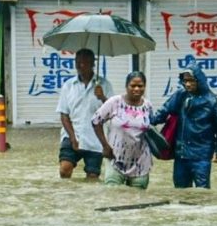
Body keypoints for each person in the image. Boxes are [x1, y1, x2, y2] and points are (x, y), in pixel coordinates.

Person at [150, 65, 217, 189]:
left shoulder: (211, 101)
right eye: (185, 81)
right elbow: (163, 112)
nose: (187, 84)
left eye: (191, 81)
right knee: (180, 189)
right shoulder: (181, 95)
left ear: (199, 81)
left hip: (202, 155)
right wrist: (146, 121)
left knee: (202, 192)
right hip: (181, 154)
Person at [90, 71, 154, 189]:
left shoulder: (148, 106)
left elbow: (151, 129)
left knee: (138, 199)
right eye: (132, 86)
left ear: (145, 87)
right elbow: (95, 121)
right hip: (115, 158)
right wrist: (105, 145)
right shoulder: (115, 102)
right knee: (113, 195)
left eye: (140, 86)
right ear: (126, 86)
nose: (136, 89)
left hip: (140, 162)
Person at [56, 48, 113, 180]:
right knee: (64, 170)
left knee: (92, 178)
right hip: (72, 135)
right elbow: (64, 115)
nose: (81, 66)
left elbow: (113, 112)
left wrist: (103, 97)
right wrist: (72, 138)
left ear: (93, 63)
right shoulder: (68, 86)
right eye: (78, 62)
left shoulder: (104, 84)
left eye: (85, 62)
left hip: (96, 139)